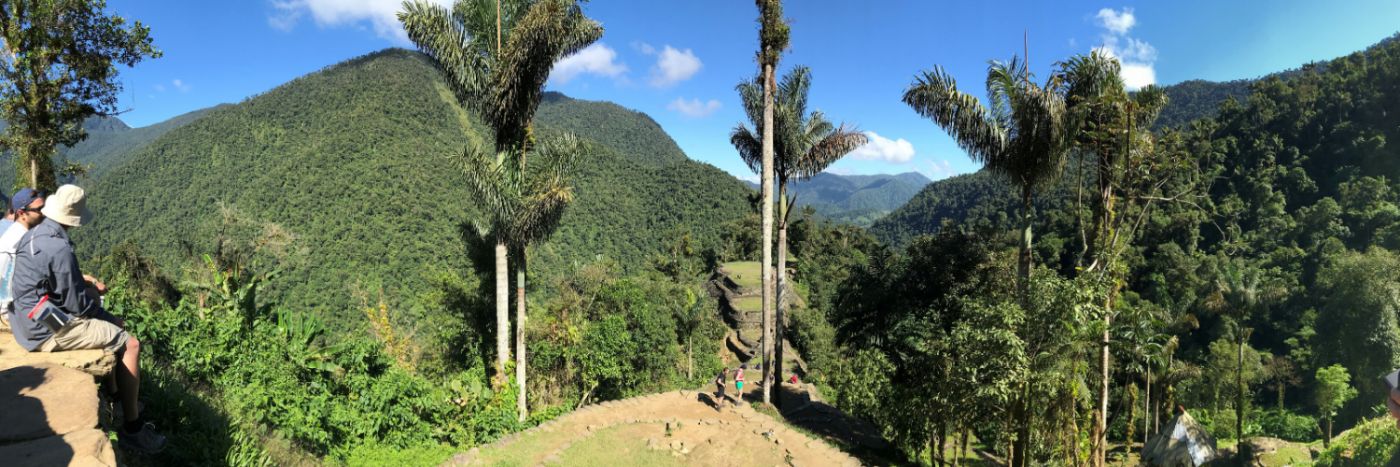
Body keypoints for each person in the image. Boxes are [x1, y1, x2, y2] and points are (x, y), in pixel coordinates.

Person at [9, 185, 166, 453]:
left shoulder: (35, 234)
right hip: (44, 329)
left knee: (98, 312)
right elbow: (78, 306)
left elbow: (54, 279)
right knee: (130, 344)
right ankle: (132, 428)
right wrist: (111, 319)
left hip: (25, 318)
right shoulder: (59, 248)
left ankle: (117, 396)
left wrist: (88, 288)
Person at [0, 189, 42, 328]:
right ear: (21, 213)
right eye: (38, 209)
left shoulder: (18, 233)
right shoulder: (20, 240)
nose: (43, 213)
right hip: (13, 312)